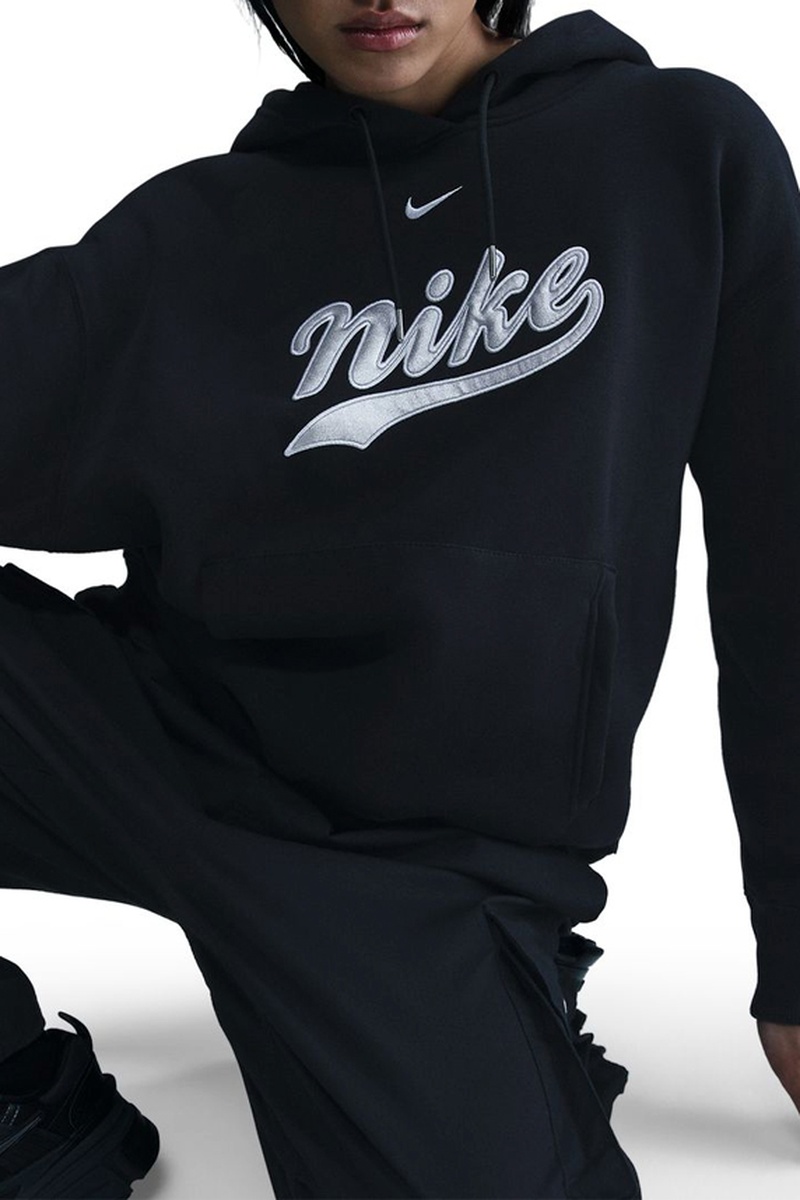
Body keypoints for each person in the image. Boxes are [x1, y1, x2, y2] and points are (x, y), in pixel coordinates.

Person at [1, 0, 799, 1196]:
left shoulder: (674, 148)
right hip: (157, 755)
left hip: (425, 871)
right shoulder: (195, 230)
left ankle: (501, 1012)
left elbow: (779, 564)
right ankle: (24, 1093)